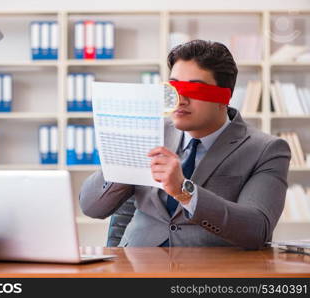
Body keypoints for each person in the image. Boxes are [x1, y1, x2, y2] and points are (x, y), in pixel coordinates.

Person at [79, 40, 291, 249]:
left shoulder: (267, 150)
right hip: (135, 264)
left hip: (209, 274)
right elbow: (91, 208)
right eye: (173, 88)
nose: (180, 100)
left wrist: (184, 191)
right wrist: (121, 158)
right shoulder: (151, 130)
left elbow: (256, 229)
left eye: (195, 90)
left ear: (224, 98)